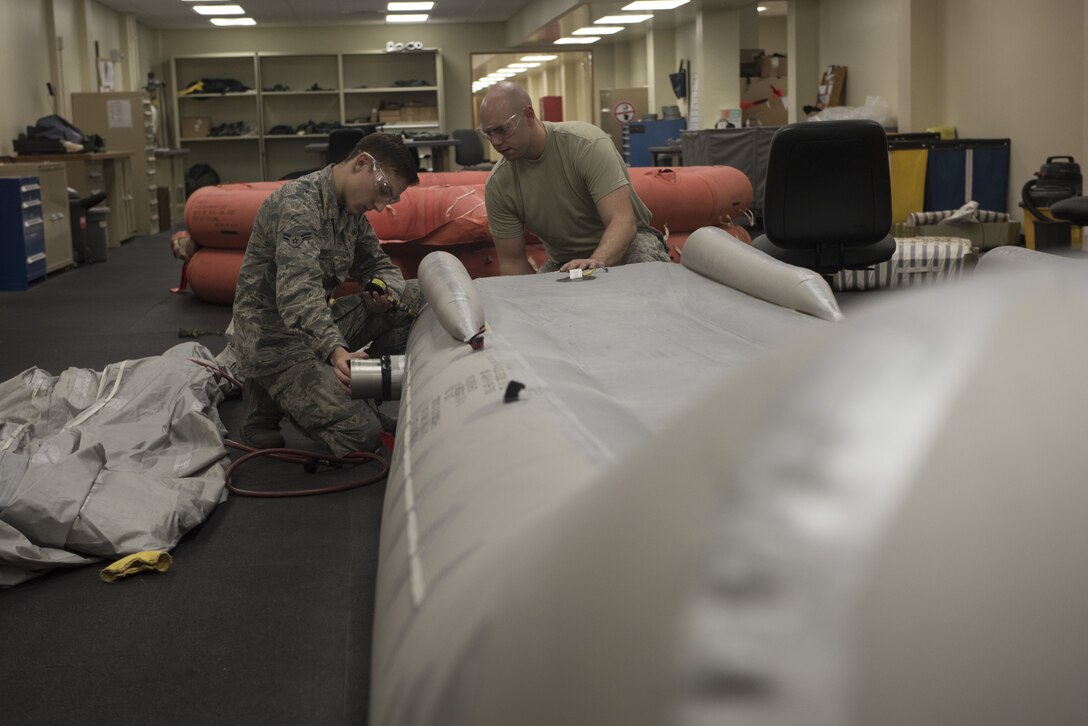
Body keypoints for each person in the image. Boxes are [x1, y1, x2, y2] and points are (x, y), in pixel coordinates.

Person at [231, 132, 421, 454]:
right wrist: (336, 351)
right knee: (362, 434)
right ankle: (265, 396)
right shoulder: (299, 205)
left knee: (413, 297)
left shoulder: (350, 211)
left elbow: (376, 263)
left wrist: (382, 289)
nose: (380, 205)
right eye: (383, 190)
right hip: (274, 342)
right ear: (362, 163)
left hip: (311, 329)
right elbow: (297, 294)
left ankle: (354, 393)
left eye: (390, 199)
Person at [478, 81, 669, 275]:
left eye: (503, 129)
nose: (496, 141)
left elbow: (623, 222)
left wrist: (595, 262)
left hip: (630, 244)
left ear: (528, 115)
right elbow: (512, 262)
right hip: (564, 261)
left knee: (643, 270)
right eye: (488, 133)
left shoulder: (585, 144)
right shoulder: (499, 185)